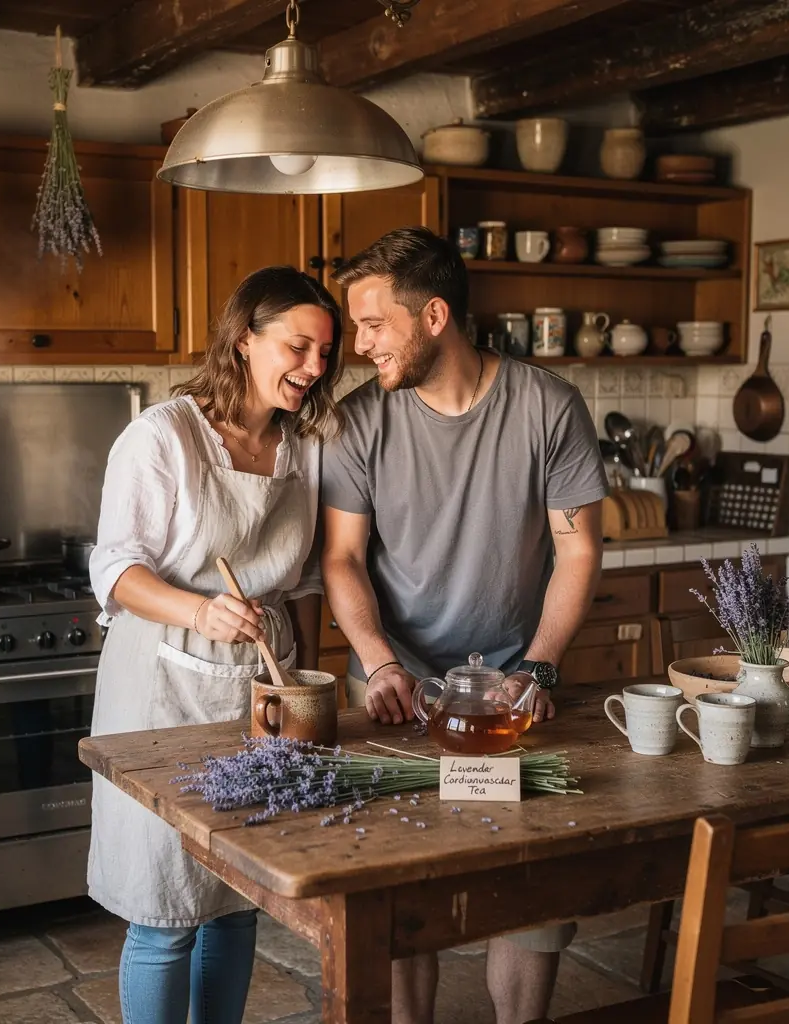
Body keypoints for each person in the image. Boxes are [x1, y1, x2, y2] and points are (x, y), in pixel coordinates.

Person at [320, 227, 608, 1024]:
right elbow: (342, 559)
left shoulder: (548, 405)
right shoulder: (355, 423)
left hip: (517, 682)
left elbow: (578, 550)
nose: (359, 343)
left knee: (530, 883)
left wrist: (540, 668)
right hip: (396, 681)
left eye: (374, 324)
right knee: (405, 884)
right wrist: (380, 664)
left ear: (434, 315)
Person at [87, 265, 343, 1024]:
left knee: (236, 903)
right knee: (167, 912)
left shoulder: (305, 447)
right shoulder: (163, 437)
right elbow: (115, 570)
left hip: (260, 689)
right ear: (243, 340)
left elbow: (304, 575)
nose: (315, 369)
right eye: (299, 346)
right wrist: (201, 613)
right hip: (163, 688)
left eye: (326, 354)